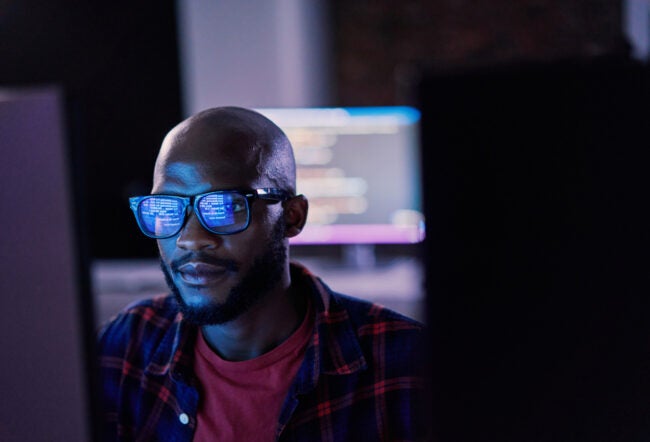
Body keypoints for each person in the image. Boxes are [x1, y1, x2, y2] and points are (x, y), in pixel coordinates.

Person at [97, 106, 427, 441]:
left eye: (225, 206)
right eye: (166, 208)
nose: (191, 238)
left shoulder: (406, 364)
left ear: (292, 217)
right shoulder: (126, 347)